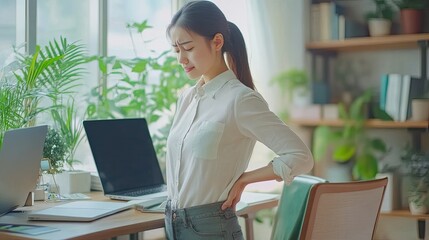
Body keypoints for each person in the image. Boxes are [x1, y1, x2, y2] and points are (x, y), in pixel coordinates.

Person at [165, 1, 314, 239]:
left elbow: (301, 157)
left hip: (211, 228)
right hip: (174, 224)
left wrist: (245, 178)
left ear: (217, 42)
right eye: (176, 50)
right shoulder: (187, 99)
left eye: (188, 47)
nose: (181, 58)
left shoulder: (241, 100)